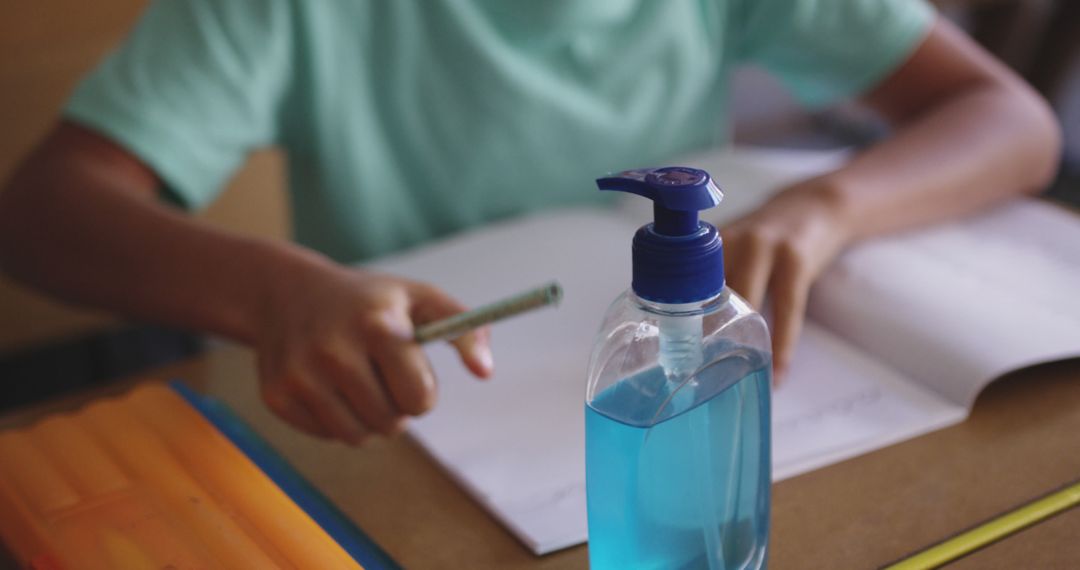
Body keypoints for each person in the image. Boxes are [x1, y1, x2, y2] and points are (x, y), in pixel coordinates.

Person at [0, 0, 1060, 445]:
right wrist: (274, 289)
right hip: (407, 419)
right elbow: (47, 213)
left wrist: (832, 206)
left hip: (658, 390)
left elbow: (1009, 118)